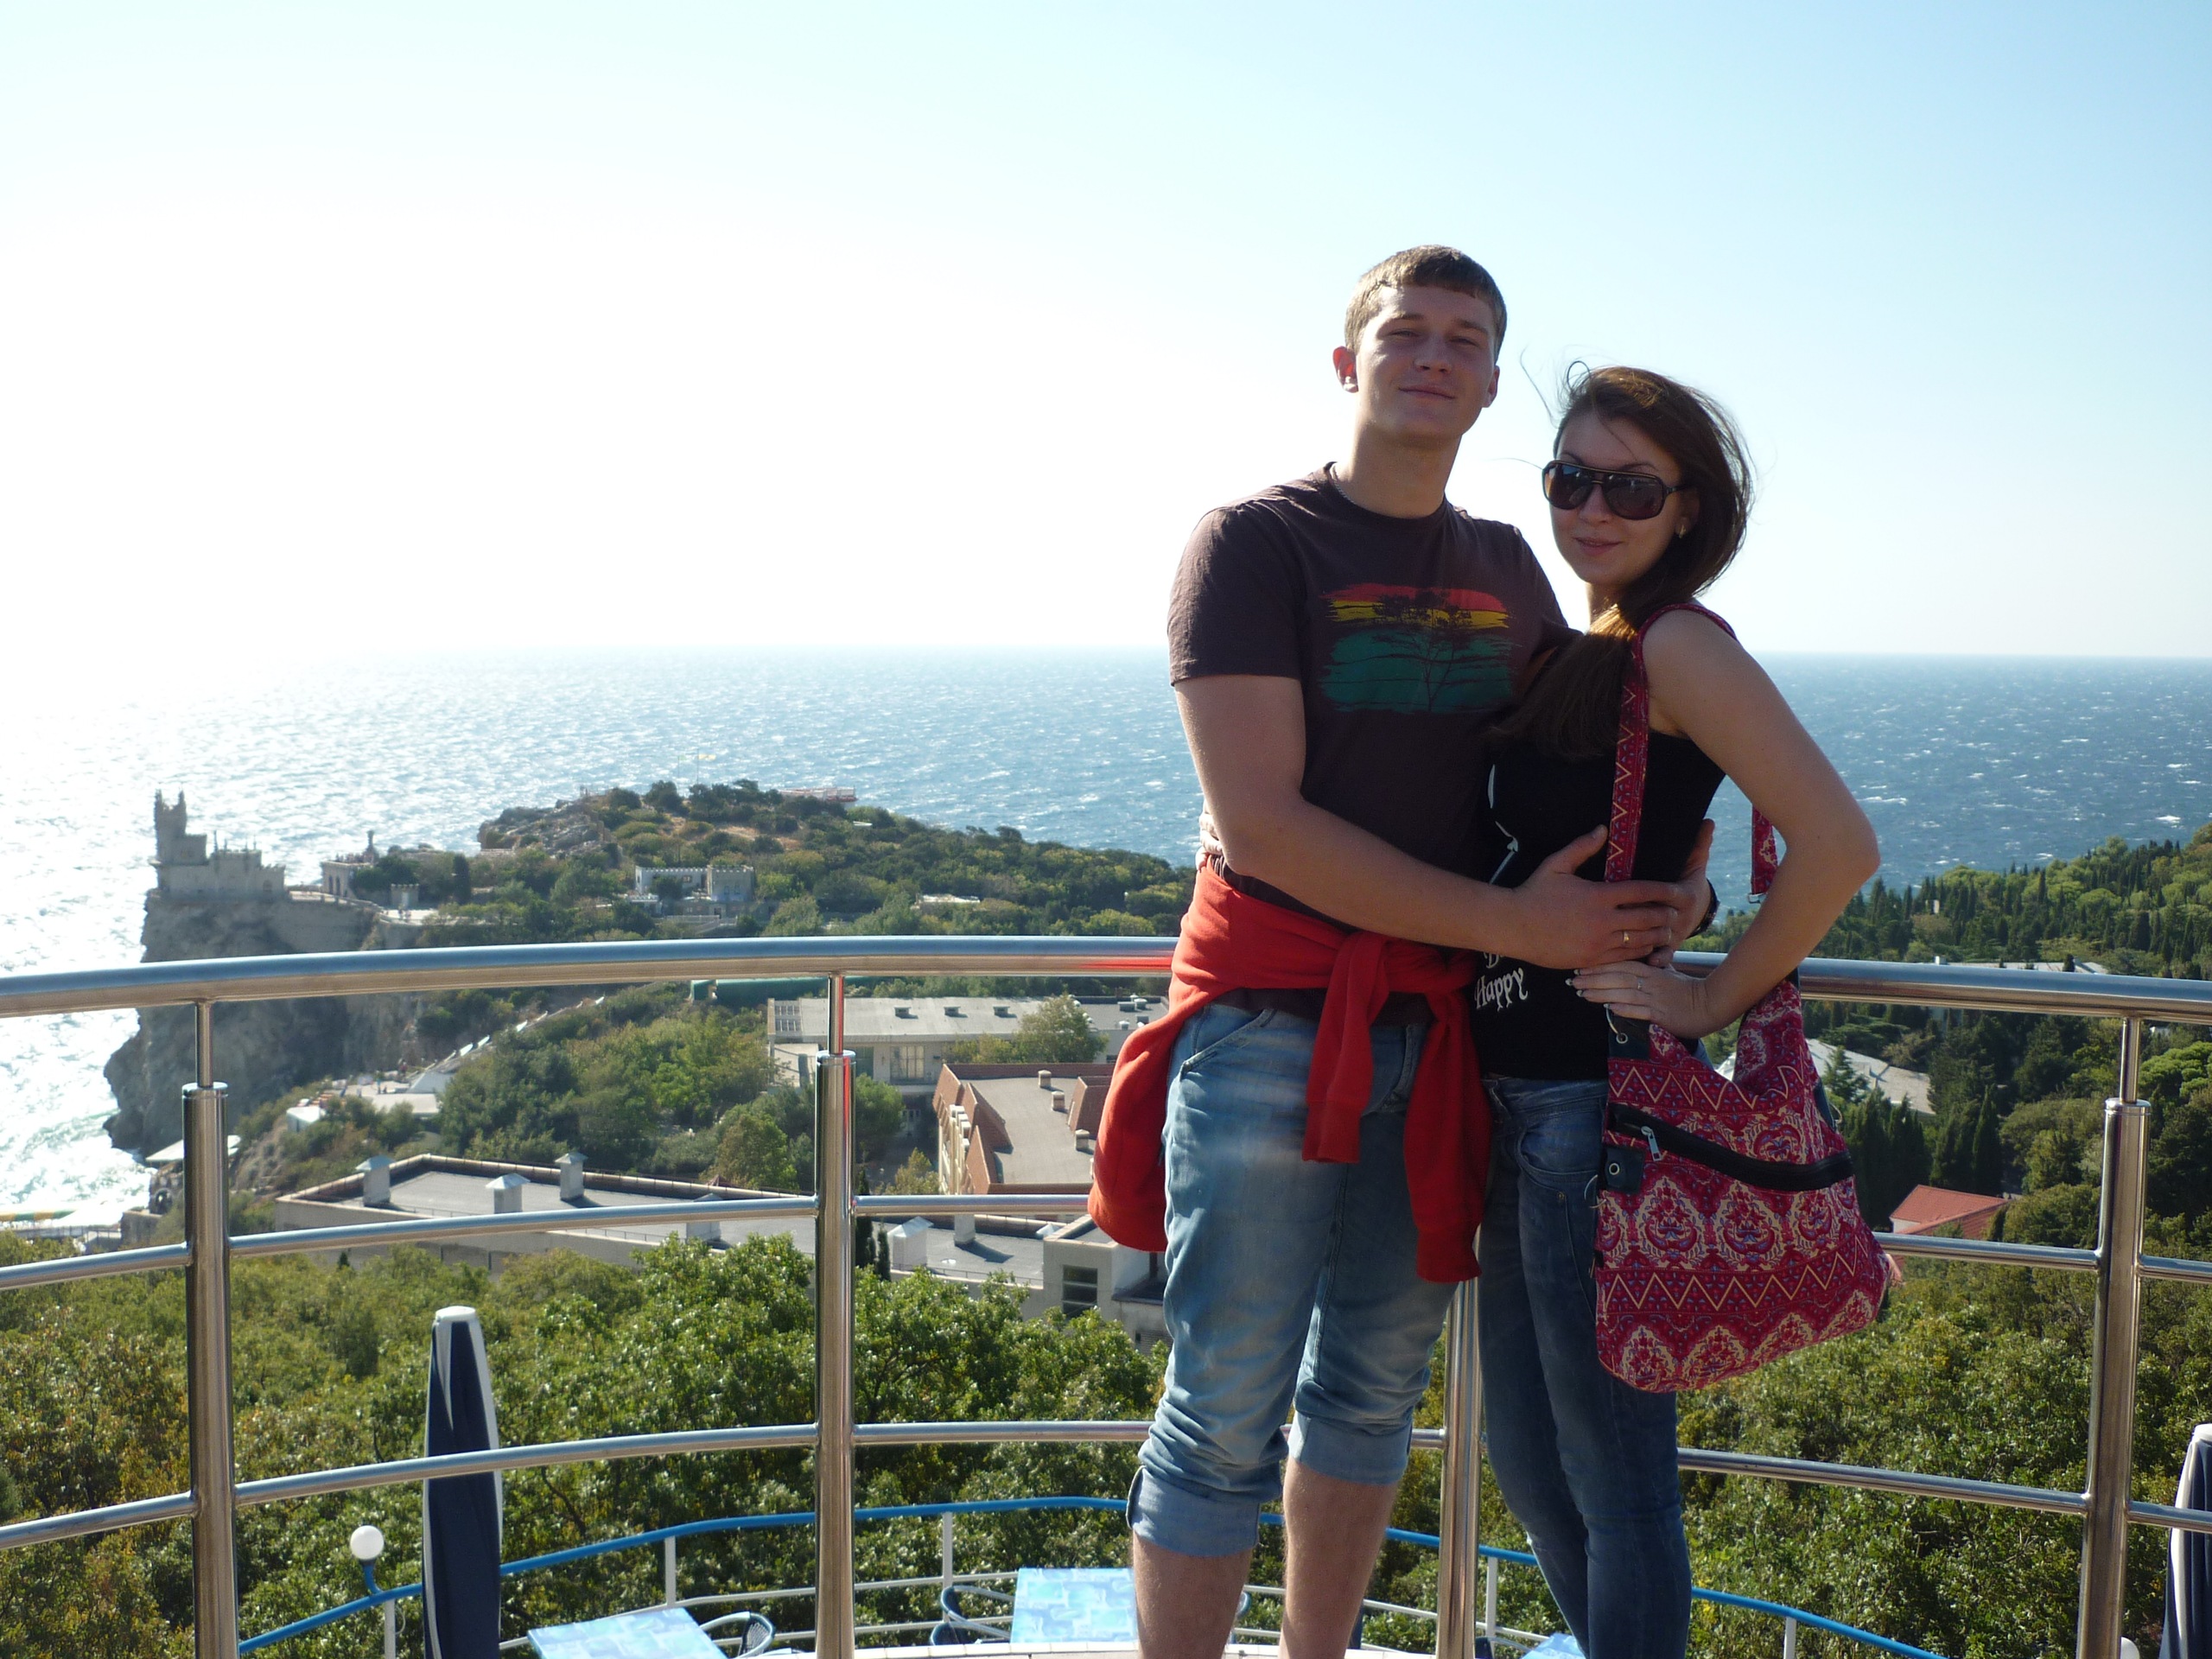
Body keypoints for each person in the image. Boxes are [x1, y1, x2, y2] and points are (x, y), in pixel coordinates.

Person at [1088, 249, 1713, 1659]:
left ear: (1490, 389)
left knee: (1372, 1397)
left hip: (1438, 1035)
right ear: (1347, 362)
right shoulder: (1254, 544)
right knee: (1224, 1410)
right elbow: (1267, 828)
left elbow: (1590, 772)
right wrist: (1517, 927)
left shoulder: (1507, 568)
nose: (1435, 356)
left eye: (1466, 340)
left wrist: (1680, 890)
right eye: (1406, 331)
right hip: (1270, 1016)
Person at [1467, 365, 1880, 1659]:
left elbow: (1837, 844)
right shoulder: (1591, 645)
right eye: (1570, 478)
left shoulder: (1679, 645)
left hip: (1594, 1111)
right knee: (1530, 1461)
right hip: (1515, 1099)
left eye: (1631, 488)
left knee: (1617, 1482)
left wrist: (1706, 993)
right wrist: (1687, 900)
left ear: (1688, 506)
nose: (1592, 508)